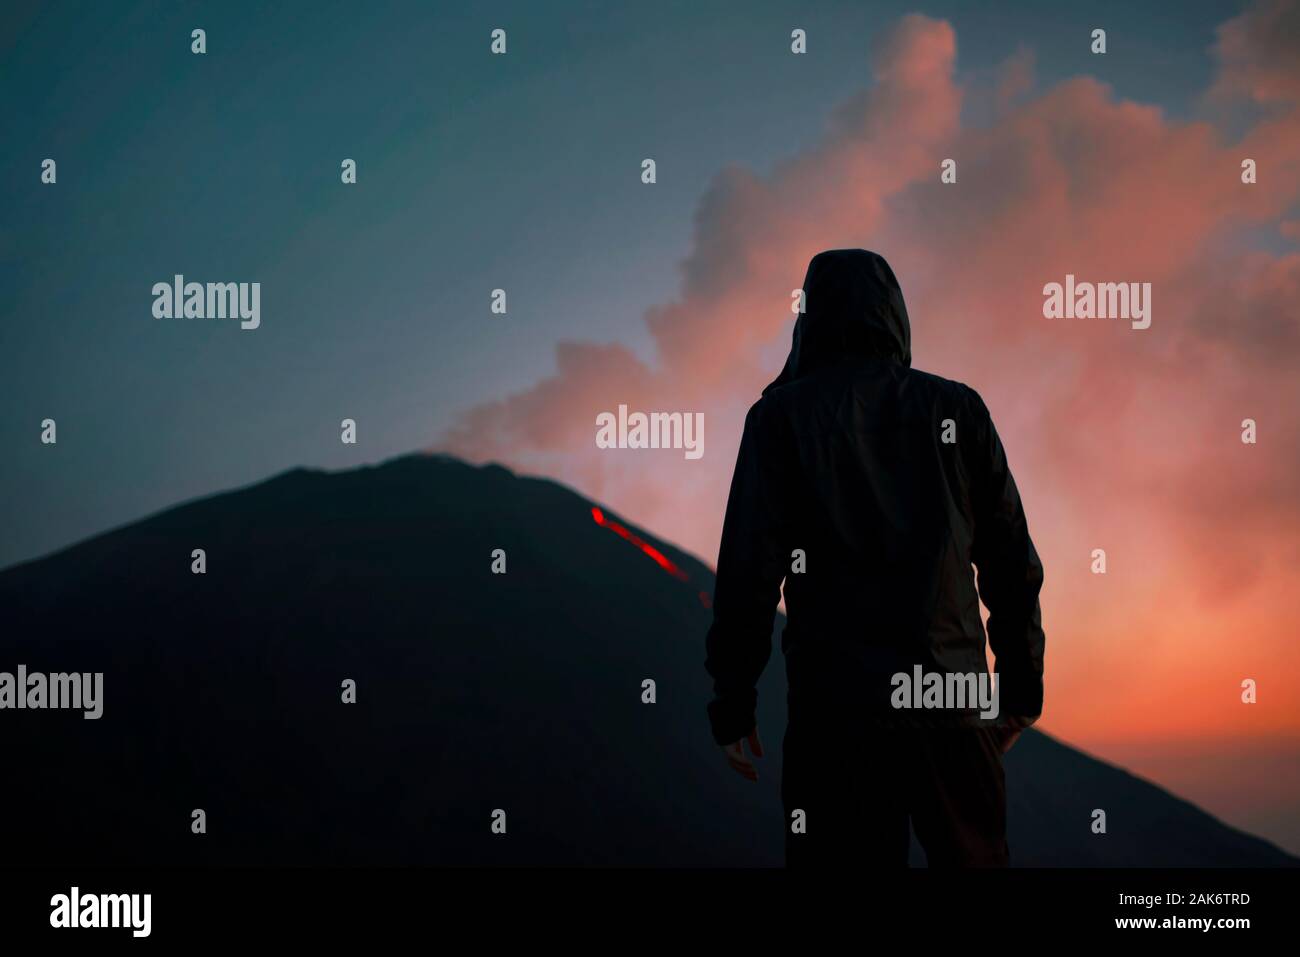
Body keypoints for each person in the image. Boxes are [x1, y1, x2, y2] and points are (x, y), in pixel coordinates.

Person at [704, 249, 1045, 867]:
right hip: (951, 705)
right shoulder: (958, 409)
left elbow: (748, 576)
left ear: (809, 319)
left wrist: (733, 702)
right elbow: (1010, 563)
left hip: (837, 717)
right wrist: (1019, 688)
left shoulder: (780, 418)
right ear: (895, 317)